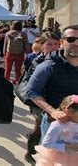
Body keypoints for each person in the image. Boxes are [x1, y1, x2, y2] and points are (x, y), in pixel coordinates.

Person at [25, 25, 78, 148]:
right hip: (56, 124)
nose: (76, 43)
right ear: (62, 42)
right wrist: (52, 111)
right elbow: (32, 91)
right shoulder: (48, 66)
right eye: (71, 39)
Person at [20, 32, 60, 163]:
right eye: (49, 44)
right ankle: (32, 153)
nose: (53, 47)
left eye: (56, 44)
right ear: (42, 46)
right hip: (38, 101)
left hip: (56, 100)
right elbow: (33, 87)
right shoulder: (37, 61)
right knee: (40, 127)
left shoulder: (62, 59)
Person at [33, 95, 78, 165]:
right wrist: (70, 147)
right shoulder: (59, 125)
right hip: (61, 157)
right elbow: (46, 143)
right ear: (68, 111)